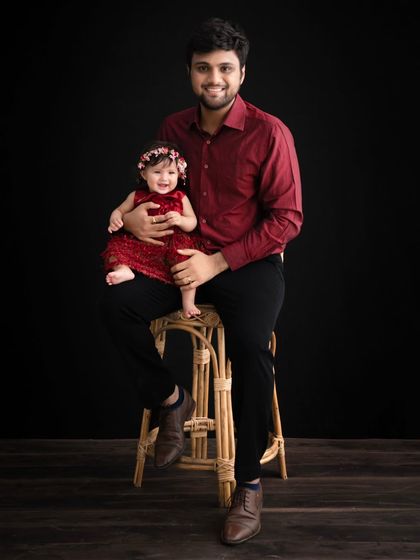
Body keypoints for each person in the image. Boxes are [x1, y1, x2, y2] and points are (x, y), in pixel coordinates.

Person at [99, 17, 303, 545]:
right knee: (116, 303)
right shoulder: (172, 128)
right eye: (204, 68)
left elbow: (287, 220)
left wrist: (219, 262)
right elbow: (156, 189)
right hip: (174, 257)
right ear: (190, 72)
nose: (215, 78)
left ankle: (249, 484)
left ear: (242, 73)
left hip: (246, 264)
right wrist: (138, 220)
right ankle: (170, 400)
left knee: (252, 348)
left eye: (225, 68)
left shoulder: (270, 132)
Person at [102, 140, 209, 318]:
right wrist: (115, 218)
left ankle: (188, 301)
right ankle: (123, 270)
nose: (164, 178)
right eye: (157, 172)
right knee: (115, 247)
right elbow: (119, 211)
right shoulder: (137, 196)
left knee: (186, 265)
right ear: (144, 173)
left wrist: (181, 220)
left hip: (172, 246)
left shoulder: (180, 197)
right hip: (144, 247)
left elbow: (192, 222)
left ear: (179, 175)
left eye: (171, 173)